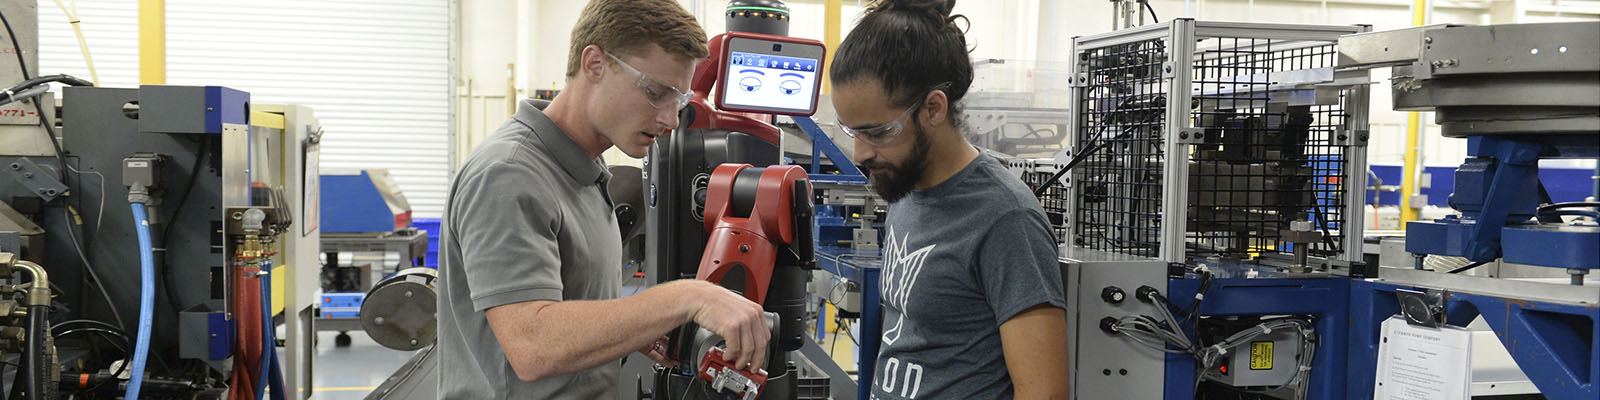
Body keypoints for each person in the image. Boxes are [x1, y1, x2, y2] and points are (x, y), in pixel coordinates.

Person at [435, 1, 771, 398]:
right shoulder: (510, 174)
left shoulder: (584, 172)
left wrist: (632, 330)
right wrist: (687, 297)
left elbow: (567, 308)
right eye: (656, 92)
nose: (668, 119)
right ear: (594, 64)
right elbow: (533, 345)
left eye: (677, 101)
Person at [829, 0, 1071, 398]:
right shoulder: (905, 190)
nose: (859, 153)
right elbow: (901, 343)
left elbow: (1044, 393)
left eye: (876, 132)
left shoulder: (1006, 219)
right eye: (851, 131)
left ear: (933, 109)